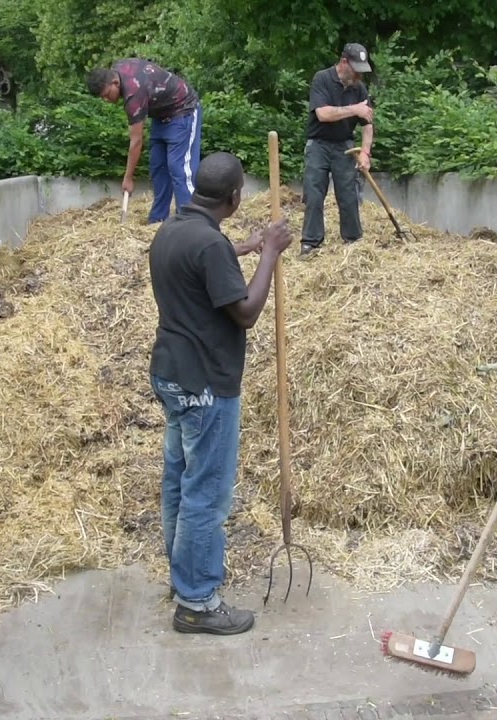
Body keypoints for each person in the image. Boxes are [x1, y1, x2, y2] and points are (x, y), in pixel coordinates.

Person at [147, 152, 292, 635]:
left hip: (171, 374)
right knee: (205, 493)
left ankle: (182, 574)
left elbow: (207, 266)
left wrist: (243, 250)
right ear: (234, 198)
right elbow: (246, 311)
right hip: (205, 384)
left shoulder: (172, 230)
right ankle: (197, 601)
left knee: (179, 481)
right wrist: (269, 251)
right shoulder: (209, 245)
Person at [86, 59, 203, 224]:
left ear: (114, 82)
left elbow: (136, 141)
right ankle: (158, 221)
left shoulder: (133, 93)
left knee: (180, 170)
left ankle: (190, 223)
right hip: (161, 116)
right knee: (158, 168)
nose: (106, 99)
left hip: (184, 110)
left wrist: (128, 178)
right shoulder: (118, 69)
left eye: (106, 94)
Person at [299, 43, 375, 257]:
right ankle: (310, 243)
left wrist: (365, 153)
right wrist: (354, 109)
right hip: (319, 145)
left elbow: (367, 123)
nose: (359, 76)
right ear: (344, 62)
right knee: (314, 194)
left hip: (345, 146)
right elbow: (323, 114)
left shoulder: (359, 88)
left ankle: (353, 241)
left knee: (349, 195)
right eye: (356, 70)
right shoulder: (322, 79)